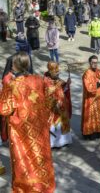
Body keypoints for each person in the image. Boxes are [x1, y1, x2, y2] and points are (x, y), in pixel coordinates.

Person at [0, 52, 55, 192]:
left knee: (24, 158)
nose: (11, 66)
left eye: (13, 63)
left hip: (21, 130)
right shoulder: (39, 80)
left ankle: (27, 186)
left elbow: (4, 109)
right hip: (39, 127)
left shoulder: (13, 84)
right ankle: (43, 184)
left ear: (17, 65)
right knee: (39, 156)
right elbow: (49, 100)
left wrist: (5, 86)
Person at [44, 61, 72, 148]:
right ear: (50, 72)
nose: (57, 74)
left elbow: (63, 89)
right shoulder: (46, 82)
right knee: (54, 125)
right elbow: (46, 96)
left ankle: (64, 141)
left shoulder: (58, 80)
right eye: (55, 72)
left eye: (58, 72)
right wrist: (54, 103)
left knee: (63, 123)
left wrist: (67, 85)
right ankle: (54, 143)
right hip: (52, 108)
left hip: (62, 106)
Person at [81, 55, 100, 139]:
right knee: (91, 116)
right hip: (91, 98)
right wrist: (99, 82)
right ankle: (91, 133)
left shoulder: (98, 71)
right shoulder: (87, 73)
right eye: (93, 62)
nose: (95, 64)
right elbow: (88, 87)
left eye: (96, 62)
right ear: (90, 63)